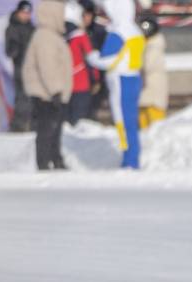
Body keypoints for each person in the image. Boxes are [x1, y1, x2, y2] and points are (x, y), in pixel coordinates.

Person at [86, 0, 143, 169]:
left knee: (122, 121)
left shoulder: (117, 33)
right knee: (131, 121)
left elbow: (108, 60)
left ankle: (129, 161)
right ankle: (133, 157)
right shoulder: (135, 30)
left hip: (120, 81)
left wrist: (92, 58)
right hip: (134, 78)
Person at [21, 0, 70, 169]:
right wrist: (56, 90)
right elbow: (47, 66)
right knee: (47, 129)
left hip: (50, 91)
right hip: (46, 93)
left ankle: (55, 158)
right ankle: (44, 162)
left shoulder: (51, 35)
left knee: (55, 129)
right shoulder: (45, 36)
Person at [4, 0, 34, 131]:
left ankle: (32, 123)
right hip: (20, 68)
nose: (25, 15)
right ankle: (19, 126)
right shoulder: (12, 28)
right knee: (22, 98)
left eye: (28, 13)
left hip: (33, 69)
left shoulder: (32, 28)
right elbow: (9, 51)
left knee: (32, 97)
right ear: (18, 12)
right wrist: (17, 48)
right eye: (23, 12)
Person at [64, 0, 94, 124]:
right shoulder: (81, 36)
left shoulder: (59, 35)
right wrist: (95, 78)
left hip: (64, 83)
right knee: (80, 120)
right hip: (81, 82)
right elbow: (91, 57)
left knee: (66, 120)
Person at [136, 14, 163, 128]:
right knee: (143, 123)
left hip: (152, 91)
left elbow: (147, 65)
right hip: (144, 90)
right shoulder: (145, 43)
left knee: (155, 125)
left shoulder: (154, 45)